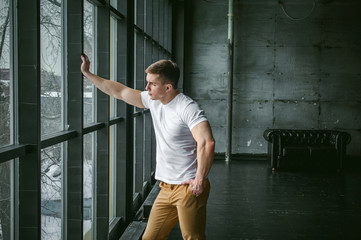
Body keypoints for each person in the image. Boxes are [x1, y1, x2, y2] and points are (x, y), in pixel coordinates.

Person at [80, 54, 215, 240]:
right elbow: (119, 91)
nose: (146, 88)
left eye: (152, 83)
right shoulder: (154, 100)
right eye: (147, 82)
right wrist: (87, 73)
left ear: (167, 87)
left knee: (193, 238)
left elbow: (207, 142)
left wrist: (199, 179)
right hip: (166, 187)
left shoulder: (187, 108)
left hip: (188, 187)